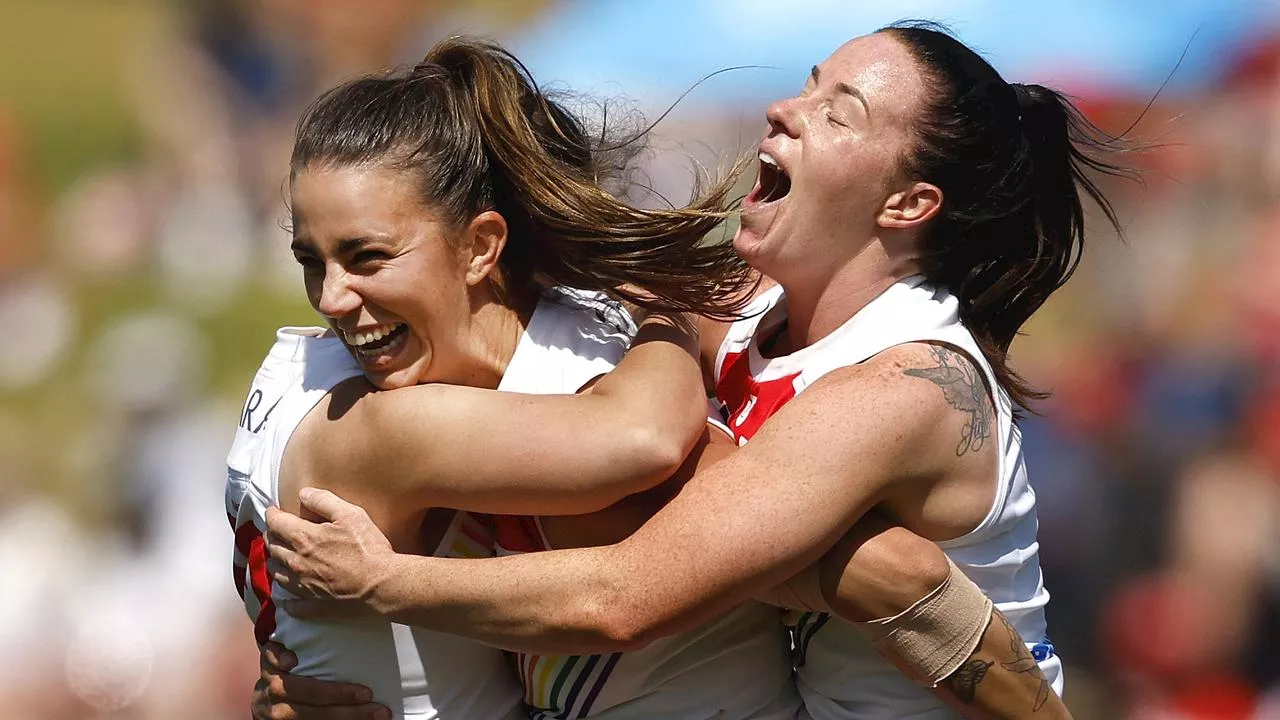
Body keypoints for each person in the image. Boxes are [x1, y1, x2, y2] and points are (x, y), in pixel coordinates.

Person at [266, 21, 1135, 719]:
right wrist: (337, 660)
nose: (785, 111)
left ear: (908, 205)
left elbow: (625, 598)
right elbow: (554, 283)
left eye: (839, 113)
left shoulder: (906, 388)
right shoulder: (747, 307)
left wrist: (382, 586)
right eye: (806, 84)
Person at [228, 36, 807, 720]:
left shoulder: (309, 364)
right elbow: (639, 440)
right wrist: (666, 297)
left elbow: (849, 569)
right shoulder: (383, 423)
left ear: (481, 247)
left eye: (366, 257)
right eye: (312, 260)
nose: (329, 298)